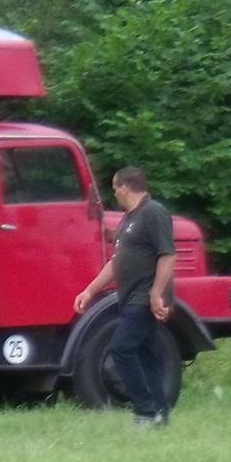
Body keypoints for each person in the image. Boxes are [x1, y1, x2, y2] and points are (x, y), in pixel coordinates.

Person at [75, 166, 178, 427]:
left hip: (144, 297)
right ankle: (160, 414)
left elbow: (168, 255)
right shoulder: (129, 219)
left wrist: (156, 293)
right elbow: (116, 262)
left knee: (121, 349)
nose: (114, 194)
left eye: (115, 188)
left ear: (125, 187)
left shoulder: (153, 212)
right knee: (146, 354)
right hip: (129, 296)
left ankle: (145, 412)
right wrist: (89, 290)